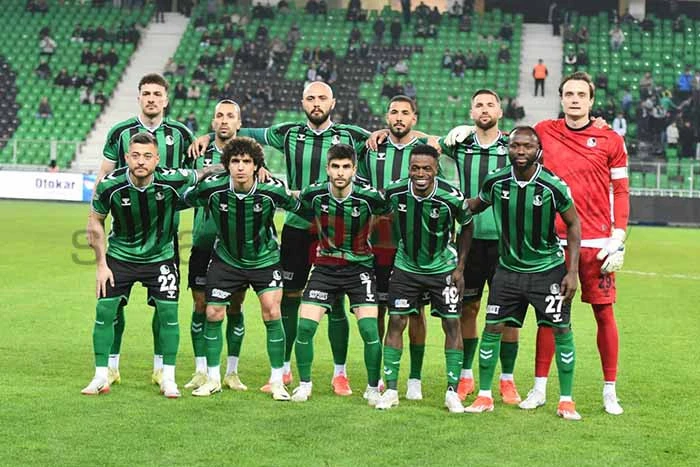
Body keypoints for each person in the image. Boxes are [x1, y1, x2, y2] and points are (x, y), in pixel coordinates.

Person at [189, 81, 371, 395]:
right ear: (302, 102)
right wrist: (207, 137)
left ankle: (339, 374)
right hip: (298, 226)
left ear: (333, 102)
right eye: (311, 98)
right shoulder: (287, 132)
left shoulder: (352, 135)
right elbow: (239, 134)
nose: (316, 103)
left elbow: (393, 137)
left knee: (337, 300)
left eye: (322, 98)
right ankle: (283, 371)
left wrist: (427, 138)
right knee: (289, 297)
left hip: (335, 227)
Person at [81, 132, 219, 398]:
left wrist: (249, 167)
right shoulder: (110, 184)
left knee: (168, 315)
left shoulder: (171, 179)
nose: (140, 161)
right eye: (135, 156)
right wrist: (101, 265)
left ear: (157, 159)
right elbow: (95, 221)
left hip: (160, 257)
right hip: (120, 256)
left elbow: (203, 173)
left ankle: (168, 377)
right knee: (105, 311)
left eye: (147, 156)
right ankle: (100, 375)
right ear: (126, 158)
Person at [524, 72, 629, 416]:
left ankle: (610, 391)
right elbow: (511, 146)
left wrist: (619, 236)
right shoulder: (544, 131)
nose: (574, 99)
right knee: (549, 315)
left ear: (591, 100)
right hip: (554, 242)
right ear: (561, 98)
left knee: (604, 313)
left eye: (581, 94)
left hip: (597, 243)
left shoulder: (610, 139)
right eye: (569, 93)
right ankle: (539, 388)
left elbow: (621, 191)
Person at [463, 126, 582, 421]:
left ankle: (566, 400)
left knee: (561, 329)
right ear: (508, 148)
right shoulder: (495, 181)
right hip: (508, 271)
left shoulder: (553, 185)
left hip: (547, 271)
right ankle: (485, 395)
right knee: (492, 328)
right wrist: (445, 201)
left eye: (527, 146)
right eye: (515, 145)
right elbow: (474, 206)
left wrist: (572, 272)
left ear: (537, 150)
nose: (520, 151)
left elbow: (573, 224)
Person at [92, 73, 194, 388]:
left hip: (165, 237)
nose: (151, 99)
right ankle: (110, 367)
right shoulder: (120, 132)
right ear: (139, 97)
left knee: (164, 307)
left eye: (157, 94)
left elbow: (195, 175)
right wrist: (97, 211)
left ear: (166, 99)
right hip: (124, 234)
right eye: (146, 93)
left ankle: (162, 368)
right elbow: (104, 176)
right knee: (113, 306)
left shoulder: (181, 133)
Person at [183, 137, 299, 400]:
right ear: (227, 164)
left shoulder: (272, 189)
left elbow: (299, 207)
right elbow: (184, 199)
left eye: (247, 161)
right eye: (235, 161)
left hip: (264, 260)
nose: (241, 167)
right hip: (226, 260)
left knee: (272, 312)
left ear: (256, 165)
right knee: (213, 313)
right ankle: (213, 378)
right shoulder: (213, 188)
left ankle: (277, 381)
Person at [438, 90, 522, 404]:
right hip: (469, 240)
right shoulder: (460, 143)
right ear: (471, 112)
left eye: (490, 105)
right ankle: (465, 375)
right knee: (468, 308)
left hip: (506, 242)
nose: (484, 109)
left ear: (500, 112)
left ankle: (507, 379)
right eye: (478, 105)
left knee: (508, 314)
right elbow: (425, 143)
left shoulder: (512, 145)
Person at [375, 145, 474, 413]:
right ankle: (391, 390)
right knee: (396, 321)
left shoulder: (451, 196)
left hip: (443, 268)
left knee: (451, 324)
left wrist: (460, 268)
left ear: (436, 170)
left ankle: (452, 392)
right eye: (415, 168)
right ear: (408, 168)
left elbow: (467, 226)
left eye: (427, 169)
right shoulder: (395, 191)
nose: (420, 174)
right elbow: (375, 205)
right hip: (406, 266)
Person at [290, 144, 388, 405]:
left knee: (369, 329)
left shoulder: (369, 197)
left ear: (354, 169)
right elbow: (293, 200)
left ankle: (372, 388)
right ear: (327, 169)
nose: (340, 172)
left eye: (346, 167)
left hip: (360, 268)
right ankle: (304, 385)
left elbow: (391, 209)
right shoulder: (315, 194)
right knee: (305, 327)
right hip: (325, 267)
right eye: (335, 167)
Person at [356, 96, 429, 400]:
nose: (399, 117)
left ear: (414, 118)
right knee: (377, 310)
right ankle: (379, 379)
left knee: (416, 312)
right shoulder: (372, 148)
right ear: (387, 117)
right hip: (376, 246)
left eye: (405, 113)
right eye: (394, 112)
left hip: (412, 246)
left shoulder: (424, 150)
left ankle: (415, 379)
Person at [181, 101, 248, 392]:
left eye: (230, 116)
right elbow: (184, 190)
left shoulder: (248, 155)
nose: (224, 121)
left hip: (236, 247)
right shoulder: (198, 153)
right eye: (219, 115)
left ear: (239, 123)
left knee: (234, 306)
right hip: (203, 242)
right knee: (200, 305)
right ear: (213, 122)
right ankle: (201, 370)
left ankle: (232, 371)